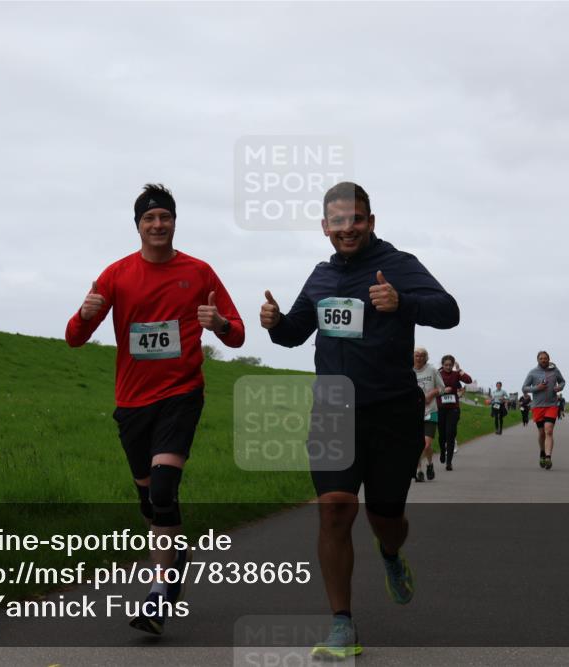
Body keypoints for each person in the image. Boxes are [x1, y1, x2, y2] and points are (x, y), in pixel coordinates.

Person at [260, 182, 459, 659]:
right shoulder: (321, 277)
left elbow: (449, 311)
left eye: (356, 220)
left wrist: (403, 302)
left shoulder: (398, 264)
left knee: (384, 518)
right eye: (338, 221)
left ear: (370, 221)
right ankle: (342, 623)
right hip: (333, 409)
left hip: (392, 411)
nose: (347, 229)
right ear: (325, 226)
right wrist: (275, 322)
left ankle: (390, 554)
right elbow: (294, 334)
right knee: (334, 508)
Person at [65, 184, 245, 635]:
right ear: (138, 225)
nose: (158, 225)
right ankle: (174, 555)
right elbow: (73, 337)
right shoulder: (116, 275)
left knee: (163, 489)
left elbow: (237, 334)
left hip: (181, 394)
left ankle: (158, 594)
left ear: (174, 222)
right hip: (131, 401)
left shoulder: (199, 272)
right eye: (149, 219)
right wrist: (87, 315)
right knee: (150, 500)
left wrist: (219, 323)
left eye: (165, 217)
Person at [521, 351, 566, 470]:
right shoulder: (532, 373)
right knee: (541, 433)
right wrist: (537, 388)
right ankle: (542, 452)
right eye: (541, 358)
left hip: (551, 405)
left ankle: (548, 457)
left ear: (549, 359)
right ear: (537, 360)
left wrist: (559, 387)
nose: (543, 360)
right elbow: (524, 388)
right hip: (538, 406)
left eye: (545, 358)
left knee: (549, 431)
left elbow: (562, 381)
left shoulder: (555, 371)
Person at [412, 347, 443, 482]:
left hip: (431, 411)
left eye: (422, 356)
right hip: (413, 412)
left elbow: (442, 388)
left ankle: (429, 464)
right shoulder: (408, 371)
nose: (419, 358)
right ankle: (419, 471)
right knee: (416, 444)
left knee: (426, 445)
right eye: (416, 355)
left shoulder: (432, 370)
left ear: (426, 358)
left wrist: (431, 394)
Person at [437, 356, 472, 469]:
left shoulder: (456, 374)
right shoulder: (437, 373)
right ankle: (442, 450)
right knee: (442, 434)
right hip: (440, 407)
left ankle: (449, 462)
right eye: (446, 365)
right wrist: (442, 390)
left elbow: (469, 380)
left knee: (450, 434)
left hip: (453, 408)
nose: (448, 367)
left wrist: (459, 369)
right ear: (442, 364)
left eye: (450, 365)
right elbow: (431, 387)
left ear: (453, 365)